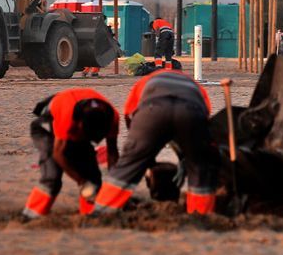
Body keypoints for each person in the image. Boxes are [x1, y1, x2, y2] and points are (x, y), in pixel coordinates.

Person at [92, 68, 220, 215]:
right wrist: (187, 156)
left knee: (126, 168)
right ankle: (201, 214)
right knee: (200, 167)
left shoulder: (145, 82)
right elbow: (204, 120)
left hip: (152, 111)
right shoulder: (196, 86)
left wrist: (140, 150)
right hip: (191, 112)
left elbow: (129, 115)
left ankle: (102, 212)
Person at [23, 88, 120, 218]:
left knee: (93, 176)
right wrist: (81, 181)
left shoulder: (112, 117)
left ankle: (91, 216)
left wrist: (115, 183)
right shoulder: (68, 117)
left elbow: (112, 152)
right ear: (80, 125)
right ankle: (31, 216)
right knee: (52, 176)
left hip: (73, 126)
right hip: (47, 127)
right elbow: (58, 154)